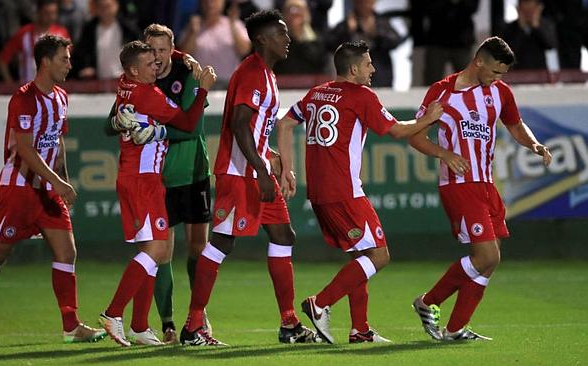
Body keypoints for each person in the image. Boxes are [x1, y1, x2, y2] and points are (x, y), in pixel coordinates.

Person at [276, 40, 443, 344]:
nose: (373, 69)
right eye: (368, 63)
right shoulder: (361, 95)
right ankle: (321, 302)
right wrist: (428, 119)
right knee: (379, 255)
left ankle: (360, 330)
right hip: (345, 192)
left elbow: (285, 123)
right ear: (353, 69)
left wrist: (287, 168)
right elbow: (398, 131)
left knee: (361, 257)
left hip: (318, 193)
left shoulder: (316, 93)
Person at [179, 9, 319, 346]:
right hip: (239, 174)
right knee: (222, 243)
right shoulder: (254, 72)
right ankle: (192, 326)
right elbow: (239, 123)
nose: (287, 39)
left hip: (254, 170)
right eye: (280, 33)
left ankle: (289, 324)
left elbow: (253, 130)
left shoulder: (266, 74)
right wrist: (260, 170)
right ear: (261, 39)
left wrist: (272, 160)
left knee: (284, 236)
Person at [0, 34, 107, 344]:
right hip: (18, 190)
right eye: (64, 59)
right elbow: (25, 149)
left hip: (48, 190)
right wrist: (57, 181)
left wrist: (63, 179)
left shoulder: (61, 97)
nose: (70, 64)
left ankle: (71, 325)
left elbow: (58, 140)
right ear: (45, 61)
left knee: (67, 251)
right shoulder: (24, 98)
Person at [408, 36, 552, 341]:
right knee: (487, 256)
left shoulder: (500, 92)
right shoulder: (442, 91)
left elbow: (515, 125)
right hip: (458, 184)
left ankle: (456, 328)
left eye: (503, 75)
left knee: (490, 260)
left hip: (486, 182)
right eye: (495, 72)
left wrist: (534, 143)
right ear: (479, 61)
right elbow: (415, 136)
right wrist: (444, 154)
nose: (498, 79)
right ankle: (427, 302)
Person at [98, 40, 216, 347]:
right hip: (143, 180)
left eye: (160, 59)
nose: (158, 66)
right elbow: (189, 124)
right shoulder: (148, 94)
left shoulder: (126, 83)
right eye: (151, 64)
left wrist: (185, 57)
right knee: (156, 252)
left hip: (138, 176)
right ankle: (113, 313)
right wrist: (203, 88)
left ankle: (139, 326)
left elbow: (116, 121)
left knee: (154, 251)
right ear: (135, 70)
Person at [325, 0, 401, 88]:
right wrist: (347, 31)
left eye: (368, 2)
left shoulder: (381, 22)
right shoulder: (346, 24)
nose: (365, 5)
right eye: (361, 2)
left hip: (380, 76)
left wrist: (376, 33)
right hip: (353, 78)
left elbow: (395, 41)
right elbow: (330, 45)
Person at [178, 0, 251, 86]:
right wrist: (193, 32)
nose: (210, 4)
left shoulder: (233, 24)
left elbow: (245, 51)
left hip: (228, 83)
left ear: (222, 2)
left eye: (214, 1)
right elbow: (184, 54)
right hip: (200, 83)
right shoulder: (193, 25)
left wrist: (233, 26)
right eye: (206, 1)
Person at [0, 0, 70, 83]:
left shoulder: (62, 34)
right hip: (28, 91)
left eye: (54, 13)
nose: (51, 17)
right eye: (47, 13)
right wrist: (9, 84)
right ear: (38, 12)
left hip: (53, 92)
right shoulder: (24, 33)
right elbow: (2, 60)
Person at [72, 0, 139, 79]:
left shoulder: (127, 29)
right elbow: (81, 54)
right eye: (101, 7)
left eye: (108, 6)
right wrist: (85, 67)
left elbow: (138, 52)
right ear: (96, 8)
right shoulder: (89, 29)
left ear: (116, 6)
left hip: (124, 79)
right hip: (98, 83)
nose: (105, 11)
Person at [500, 0, 557, 70]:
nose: (528, 14)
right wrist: (521, 28)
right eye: (525, 11)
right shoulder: (509, 28)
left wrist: (536, 26)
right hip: (517, 73)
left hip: (540, 73)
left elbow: (551, 45)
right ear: (519, 9)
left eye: (531, 10)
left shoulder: (545, 25)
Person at [274, 0, 327, 75]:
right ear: (283, 15)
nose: (295, 12)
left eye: (299, 8)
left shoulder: (318, 41)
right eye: (290, 9)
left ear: (307, 14)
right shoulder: (275, 43)